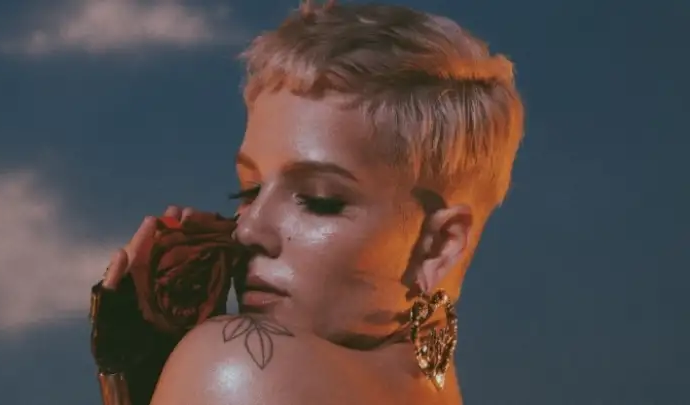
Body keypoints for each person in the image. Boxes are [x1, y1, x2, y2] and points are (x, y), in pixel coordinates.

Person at [95, 1, 524, 404]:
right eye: (249, 192)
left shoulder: (241, 368)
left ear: (438, 245)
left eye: (319, 201)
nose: (248, 230)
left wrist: (147, 381)